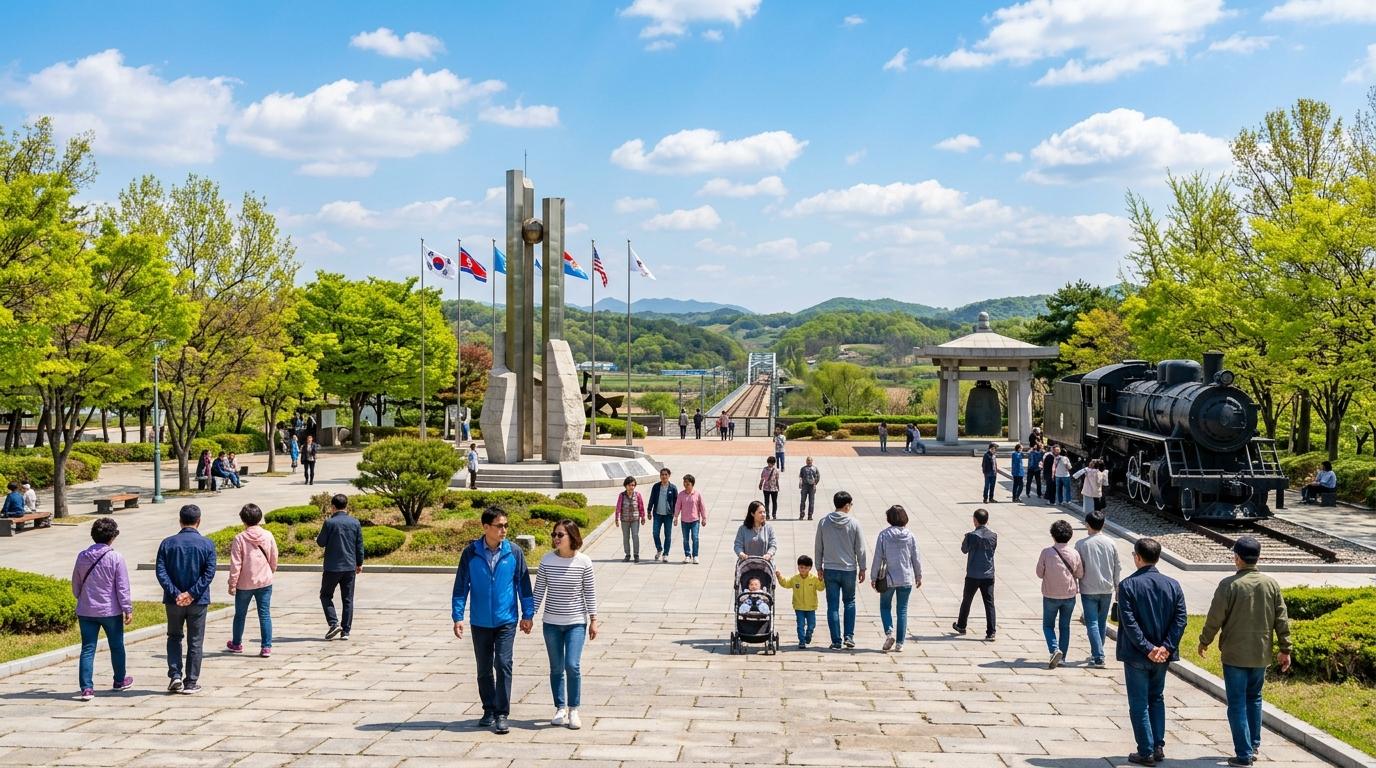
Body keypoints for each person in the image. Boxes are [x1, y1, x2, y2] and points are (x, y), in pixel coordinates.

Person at [1198, 536, 1293, 767]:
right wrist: (1285, 649)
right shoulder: (1271, 584)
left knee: (1237, 703)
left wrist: (1204, 641)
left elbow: (1215, 618)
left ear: (1237, 558)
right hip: (1260, 653)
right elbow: (1282, 618)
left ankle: (1243, 754)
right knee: (1255, 699)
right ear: (1257, 557)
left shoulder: (1229, 585)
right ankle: (1254, 745)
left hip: (1234, 655)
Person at [452, 508, 535, 735]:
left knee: (504, 664)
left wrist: (528, 614)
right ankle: (488, 709)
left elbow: (524, 587)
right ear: (485, 527)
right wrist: (457, 616)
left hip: (506, 620)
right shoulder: (470, 553)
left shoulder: (514, 552)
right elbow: (461, 587)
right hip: (479, 621)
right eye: (499, 526)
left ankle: (501, 714)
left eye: (505, 525)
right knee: (484, 668)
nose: (504, 530)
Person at [1117, 538, 1188, 766]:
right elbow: (1181, 620)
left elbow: (1129, 623)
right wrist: (1166, 647)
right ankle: (1158, 746)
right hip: (1163, 657)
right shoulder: (1173, 584)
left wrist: (1148, 649)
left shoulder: (1128, 585)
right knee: (1156, 698)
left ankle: (1145, 751)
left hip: (1138, 655)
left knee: (1139, 703)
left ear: (1138, 557)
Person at [533, 519, 598, 731]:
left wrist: (594, 619)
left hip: (576, 623)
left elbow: (590, 591)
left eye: (560, 535)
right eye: (554, 534)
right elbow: (539, 591)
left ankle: (574, 709)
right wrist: (528, 615)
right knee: (556, 667)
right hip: (551, 623)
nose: (556, 538)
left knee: (572, 665)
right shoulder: (547, 560)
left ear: (572, 536)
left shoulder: (584, 562)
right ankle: (560, 707)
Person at [154, 504, 216, 695]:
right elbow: (209, 573)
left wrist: (176, 593)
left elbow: (161, 572)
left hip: (174, 602)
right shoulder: (207, 544)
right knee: (195, 640)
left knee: (174, 637)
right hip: (198, 601)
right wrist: (192, 593)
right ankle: (191, 681)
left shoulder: (167, 543)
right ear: (199, 521)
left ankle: (175, 675)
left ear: (180, 520)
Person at [71, 517, 133, 701]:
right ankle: (119, 680)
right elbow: (122, 587)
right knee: (116, 646)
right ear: (112, 537)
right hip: (110, 610)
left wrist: (81, 598)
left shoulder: (82, 556)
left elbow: (76, 583)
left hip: (86, 610)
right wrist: (127, 608)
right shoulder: (116, 557)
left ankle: (87, 688)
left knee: (87, 648)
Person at [815, 490, 866, 650]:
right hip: (849, 569)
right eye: (850, 504)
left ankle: (836, 640)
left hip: (830, 568)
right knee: (849, 602)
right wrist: (863, 567)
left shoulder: (823, 522)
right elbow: (861, 549)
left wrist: (818, 566)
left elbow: (818, 547)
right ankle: (849, 636)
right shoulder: (854, 523)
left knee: (833, 606)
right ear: (846, 506)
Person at [226, 503, 278, 657]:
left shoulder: (240, 538)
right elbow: (274, 556)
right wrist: (270, 571)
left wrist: (232, 584)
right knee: (264, 614)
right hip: (265, 581)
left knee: (240, 614)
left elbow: (236, 564)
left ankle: (236, 643)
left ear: (243, 519)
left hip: (244, 583)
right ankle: (266, 646)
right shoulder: (268, 535)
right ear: (259, 517)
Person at [871, 505, 921, 653]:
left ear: (889, 519)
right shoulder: (910, 535)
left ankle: (889, 633)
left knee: (885, 607)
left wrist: (874, 576)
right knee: (902, 610)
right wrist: (918, 575)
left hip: (888, 578)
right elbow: (915, 558)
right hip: (906, 578)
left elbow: (877, 558)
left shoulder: (884, 535)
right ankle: (900, 643)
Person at [1075, 511, 1121, 668]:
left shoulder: (1081, 544)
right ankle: (1097, 652)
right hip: (1107, 588)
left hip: (1088, 588)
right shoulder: (1111, 543)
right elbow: (1117, 567)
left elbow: (1078, 568)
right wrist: (1117, 587)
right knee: (1101, 622)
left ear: (1087, 524)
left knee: (1092, 623)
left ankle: (1098, 655)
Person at [1036, 519, 1084, 669]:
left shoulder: (1046, 552)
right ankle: (1063, 657)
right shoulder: (1074, 553)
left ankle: (1054, 649)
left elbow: (1039, 573)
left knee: (1048, 625)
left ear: (1053, 535)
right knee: (1065, 626)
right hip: (1069, 595)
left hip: (1050, 594)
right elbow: (1080, 574)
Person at [316, 494, 364, 640]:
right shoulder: (355, 523)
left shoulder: (329, 523)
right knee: (348, 599)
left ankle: (333, 623)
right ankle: (346, 631)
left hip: (332, 567)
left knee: (325, 595)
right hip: (349, 566)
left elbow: (321, 542)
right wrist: (359, 563)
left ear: (333, 507)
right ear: (346, 506)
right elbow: (359, 545)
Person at [952, 508, 997, 641]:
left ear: (975, 520)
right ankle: (991, 631)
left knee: (967, 600)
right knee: (989, 603)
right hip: (988, 574)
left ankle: (961, 625)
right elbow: (993, 550)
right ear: (987, 520)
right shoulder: (993, 536)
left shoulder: (971, 536)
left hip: (973, 574)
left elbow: (964, 550)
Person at [776, 555, 825, 648]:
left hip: (811, 607)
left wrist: (821, 580)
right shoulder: (795, 579)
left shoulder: (813, 579)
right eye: (801, 567)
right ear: (798, 567)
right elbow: (786, 583)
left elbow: (821, 588)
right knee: (800, 625)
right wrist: (779, 577)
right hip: (799, 607)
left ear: (810, 568)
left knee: (812, 624)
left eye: (806, 568)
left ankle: (809, 634)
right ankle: (801, 641)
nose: (803, 569)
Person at [647, 467, 678, 562]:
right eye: (662, 475)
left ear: (669, 476)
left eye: (666, 475)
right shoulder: (656, 487)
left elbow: (676, 502)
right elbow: (652, 498)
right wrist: (649, 511)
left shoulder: (673, 488)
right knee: (655, 533)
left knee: (667, 535)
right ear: (660, 476)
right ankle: (659, 549)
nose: (664, 476)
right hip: (657, 514)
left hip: (668, 515)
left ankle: (665, 554)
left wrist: (676, 515)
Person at [675, 474, 707, 564]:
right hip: (684, 521)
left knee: (695, 537)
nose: (685, 485)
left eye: (687, 483)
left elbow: (702, 507)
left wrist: (704, 518)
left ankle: (695, 555)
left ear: (692, 484)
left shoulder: (697, 494)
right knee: (685, 539)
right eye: (684, 483)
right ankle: (687, 555)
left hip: (695, 520)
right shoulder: (681, 494)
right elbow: (677, 506)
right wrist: (676, 517)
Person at [613, 476, 645, 562]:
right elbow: (618, 507)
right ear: (626, 486)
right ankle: (627, 554)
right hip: (625, 520)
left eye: (633, 485)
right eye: (630, 485)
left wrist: (643, 517)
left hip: (635, 519)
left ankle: (636, 554)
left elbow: (641, 506)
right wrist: (616, 518)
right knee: (626, 537)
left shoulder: (638, 495)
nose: (632, 487)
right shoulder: (622, 495)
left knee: (635, 536)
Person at [798, 456, 821, 520]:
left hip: (812, 486)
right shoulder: (803, 468)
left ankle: (810, 515)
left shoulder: (815, 468)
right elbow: (800, 476)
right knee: (803, 501)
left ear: (812, 461)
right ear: (806, 461)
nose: (809, 461)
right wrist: (800, 483)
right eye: (808, 460)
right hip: (805, 486)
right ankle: (801, 514)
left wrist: (815, 483)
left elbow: (818, 476)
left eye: (810, 460)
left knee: (811, 502)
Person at [758, 456, 780, 520]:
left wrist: (778, 486)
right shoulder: (765, 469)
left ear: (773, 463)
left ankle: (774, 514)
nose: (770, 464)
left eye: (771, 463)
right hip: (766, 488)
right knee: (766, 502)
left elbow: (777, 479)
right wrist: (760, 484)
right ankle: (767, 514)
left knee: (774, 502)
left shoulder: (776, 470)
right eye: (769, 463)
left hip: (774, 488)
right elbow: (762, 478)